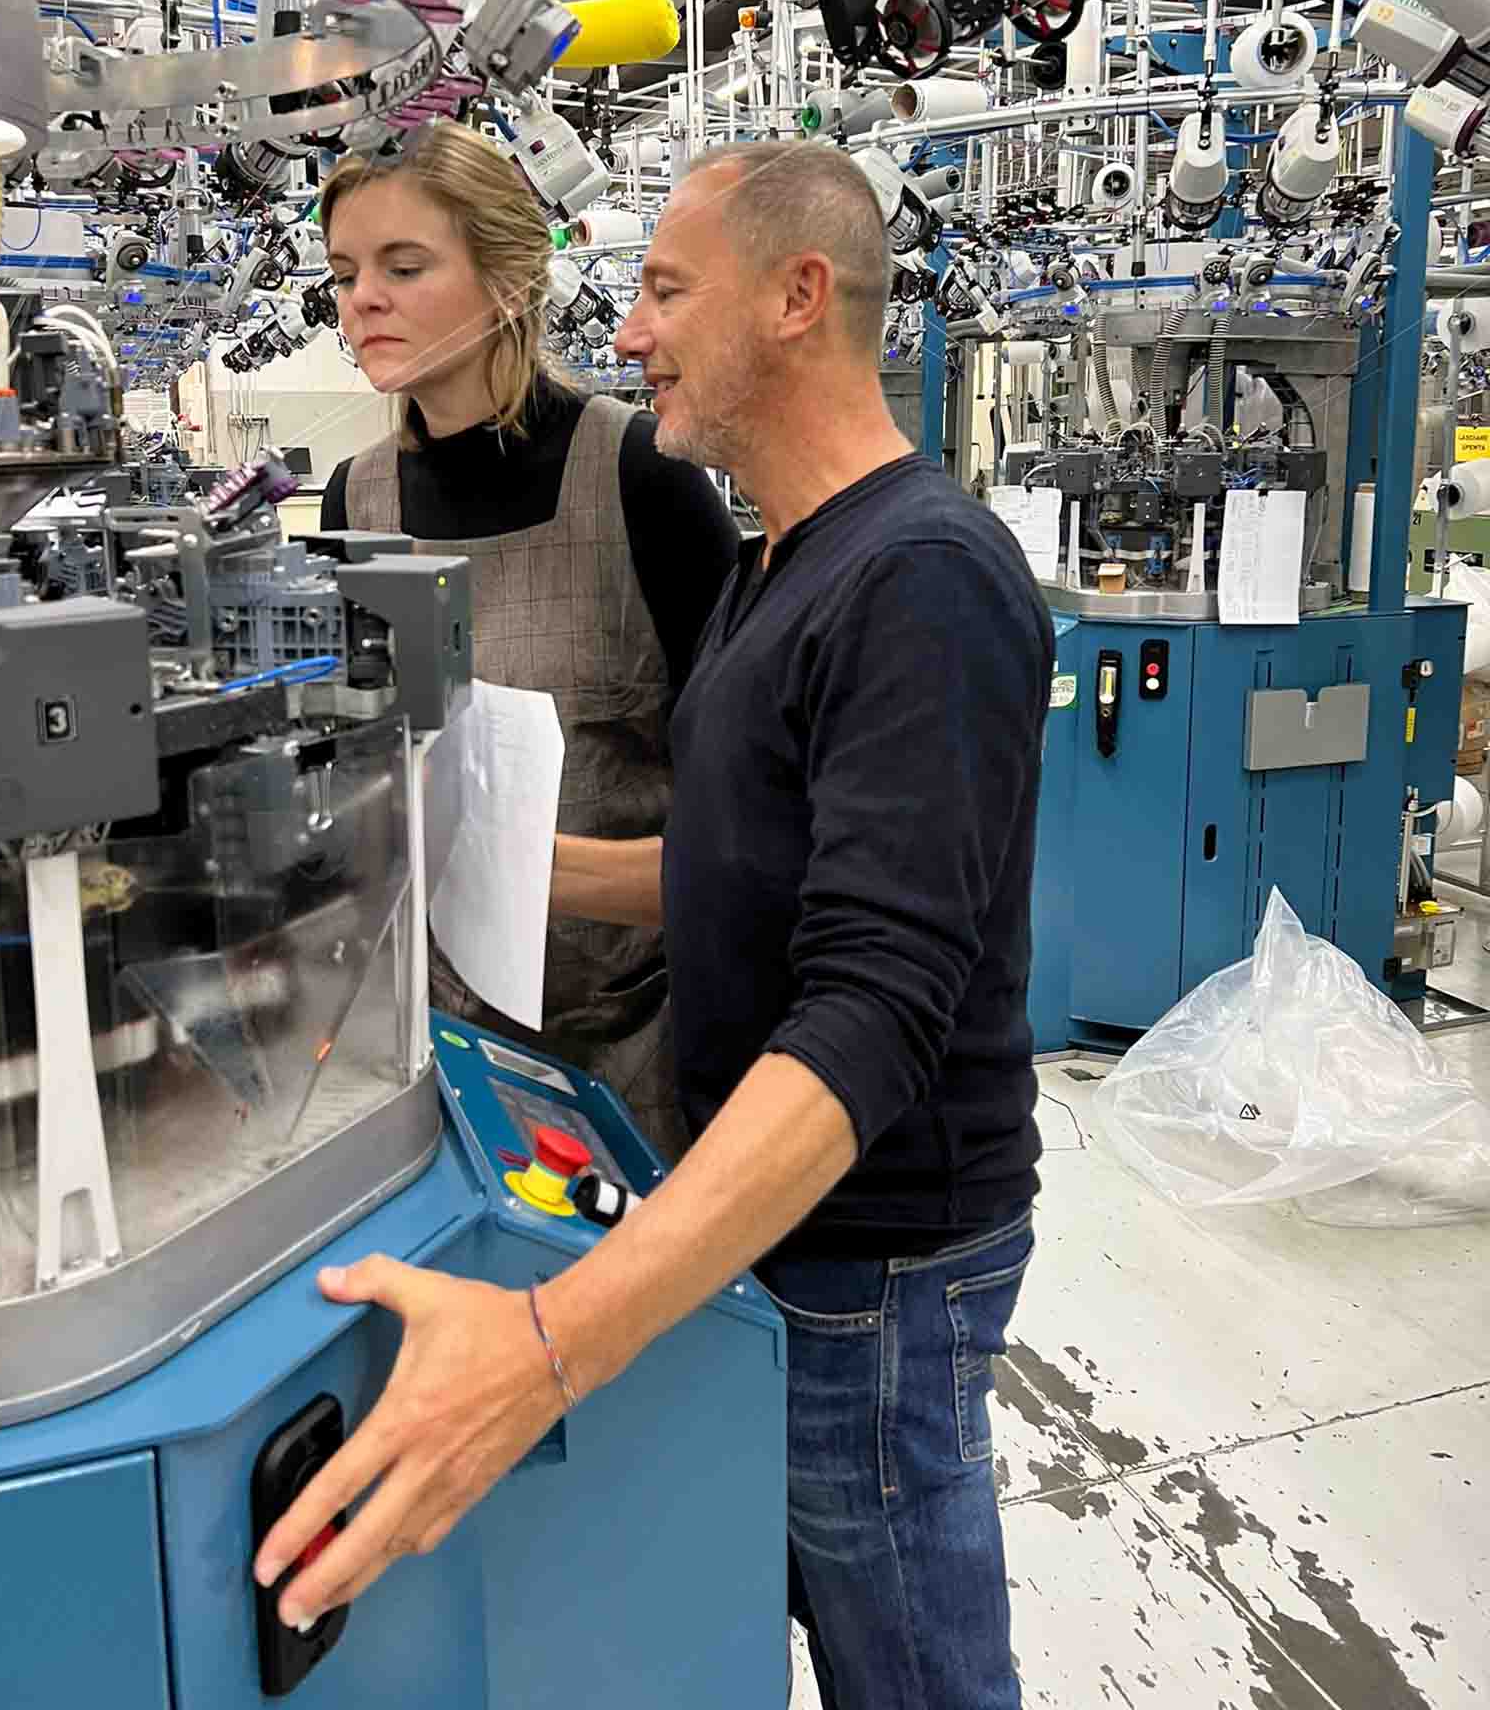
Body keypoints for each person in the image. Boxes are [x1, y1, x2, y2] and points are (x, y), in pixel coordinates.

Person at [256, 139, 1053, 1710]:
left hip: (873, 1259)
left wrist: (556, 1342)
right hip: (766, 1218)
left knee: (908, 1662)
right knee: (759, 1590)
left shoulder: (927, 579)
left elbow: (873, 1009)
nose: (627, 331)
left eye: (670, 291)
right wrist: (471, 863)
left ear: (797, 297)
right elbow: (715, 873)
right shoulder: (787, 564)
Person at [317, 121, 738, 1156]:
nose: (360, 298)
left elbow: (748, 808)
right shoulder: (353, 497)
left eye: (402, 266)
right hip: (431, 1036)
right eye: (343, 273)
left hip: (628, 1041)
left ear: (508, 278)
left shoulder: (642, 478)